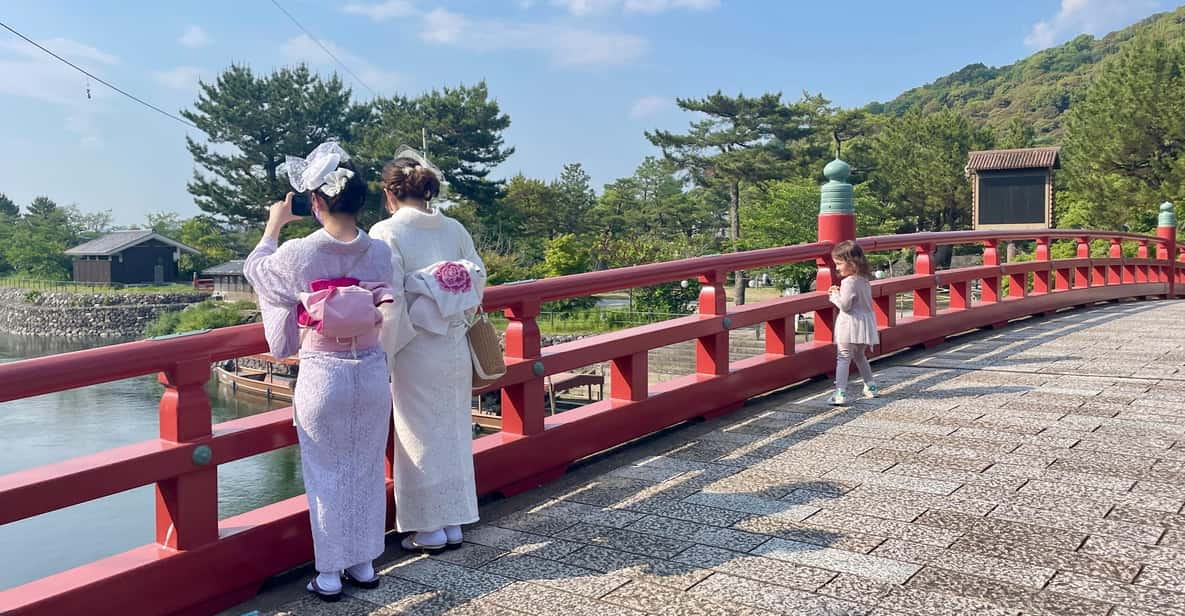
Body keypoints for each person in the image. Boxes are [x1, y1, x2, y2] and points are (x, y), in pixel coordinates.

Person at [243, 142, 396, 601]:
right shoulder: (380, 252)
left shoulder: (299, 253)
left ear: (315, 202)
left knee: (325, 472)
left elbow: (257, 273)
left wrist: (273, 225)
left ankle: (329, 573)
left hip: (324, 371)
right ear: (361, 201)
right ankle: (364, 563)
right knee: (366, 466)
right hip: (371, 369)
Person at [371, 146, 486, 552]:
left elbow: (390, 303)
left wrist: (383, 355)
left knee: (418, 434)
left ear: (390, 194)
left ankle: (429, 527)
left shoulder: (386, 233)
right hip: (454, 343)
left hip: (415, 346)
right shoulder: (454, 229)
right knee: (453, 430)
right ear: (427, 190)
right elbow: (476, 280)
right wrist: (449, 304)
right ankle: (454, 520)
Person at [827, 240, 880, 405]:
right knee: (860, 356)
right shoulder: (864, 279)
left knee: (843, 357)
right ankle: (871, 386)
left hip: (849, 325)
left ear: (852, 263)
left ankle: (840, 392)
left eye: (839, 264)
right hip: (864, 325)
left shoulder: (848, 282)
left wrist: (834, 295)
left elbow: (845, 306)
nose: (837, 268)